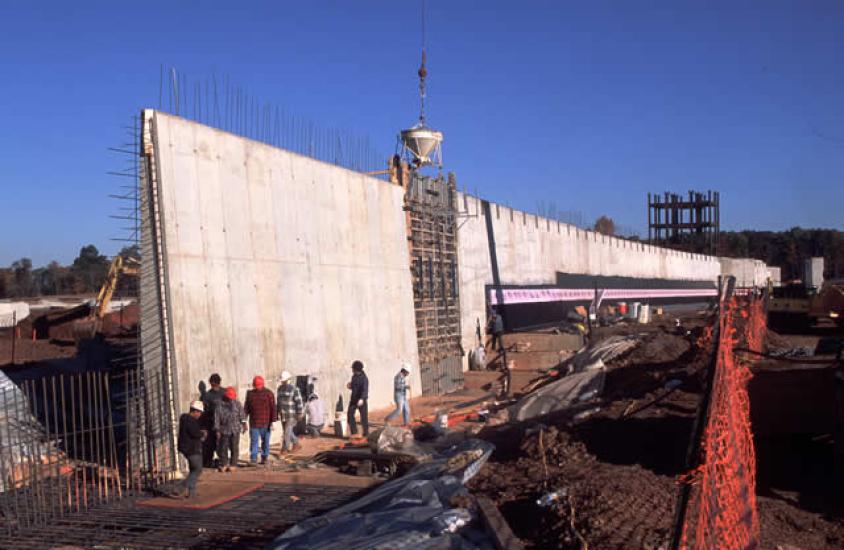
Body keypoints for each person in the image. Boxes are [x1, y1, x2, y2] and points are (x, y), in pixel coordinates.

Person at [177, 401, 206, 499]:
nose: (200, 415)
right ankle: (180, 487)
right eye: (199, 412)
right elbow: (195, 433)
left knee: (193, 470)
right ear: (195, 411)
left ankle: (192, 493)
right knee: (197, 470)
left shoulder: (185, 419)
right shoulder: (190, 420)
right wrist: (203, 434)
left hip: (186, 448)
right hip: (192, 448)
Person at [244, 375, 276, 464]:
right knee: (254, 442)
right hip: (254, 423)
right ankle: (253, 459)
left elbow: (273, 408)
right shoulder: (250, 394)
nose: (257, 387)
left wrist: (273, 421)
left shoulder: (269, 393)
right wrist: (244, 420)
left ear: (262, 384)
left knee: (265, 442)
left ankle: (264, 458)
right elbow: (246, 408)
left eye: (258, 385)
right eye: (256, 386)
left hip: (266, 423)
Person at [214, 386, 246, 472]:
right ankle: (224, 463)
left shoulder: (237, 404)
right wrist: (217, 430)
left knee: (234, 447)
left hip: (235, 429)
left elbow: (242, 415)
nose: (230, 399)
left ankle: (233, 464)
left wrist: (244, 425)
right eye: (229, 397)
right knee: (223, 448)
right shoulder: (220, 405)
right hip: (224, 430)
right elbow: (217, 418)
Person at [276, 371, 303, 453]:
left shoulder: (295, 389)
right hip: (283, 414)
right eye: (282, 381)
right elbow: (278, 401)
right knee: (287, 431)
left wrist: (299, 413)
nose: (283, 382)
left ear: (288, 380)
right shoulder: (279, 389)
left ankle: (285, 449)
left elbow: (299, 401)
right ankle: (296, 443)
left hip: (292, 414)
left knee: (287, 432)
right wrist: (277, 412)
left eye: (284, 380)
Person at [201, 373, 225, 467]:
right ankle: (220, 461)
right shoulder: (208, 395)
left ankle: (220, 461)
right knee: (216, 444)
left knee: (217, 444)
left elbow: (204, 411)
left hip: (217, 424)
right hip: (215, 424)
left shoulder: (207, 395)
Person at [346, 361, 369, 437]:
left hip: (361, 401)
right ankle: (354, 433)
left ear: (356, 369)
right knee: (350, 415)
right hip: (354, 399)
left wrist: (362, 399)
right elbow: (354, 386)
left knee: (364, 418)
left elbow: (365, 390)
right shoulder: (354, 376)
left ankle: (366, 434)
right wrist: (350, 386)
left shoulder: (364, 379)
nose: (352, 370)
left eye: (353, 368)